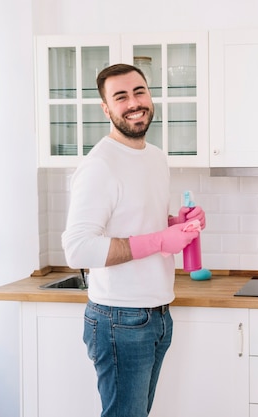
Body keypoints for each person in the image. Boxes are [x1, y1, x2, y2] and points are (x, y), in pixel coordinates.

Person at [61, 63, 206, 417]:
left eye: (139, 91)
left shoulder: (155, 157)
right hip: (118, 319)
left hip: (156, 313)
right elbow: (77, 247)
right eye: (120, 96)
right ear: (106, 108)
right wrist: (160, 240)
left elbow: (140, 221)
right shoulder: (100, 165)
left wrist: (179, 224)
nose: (133, 102)